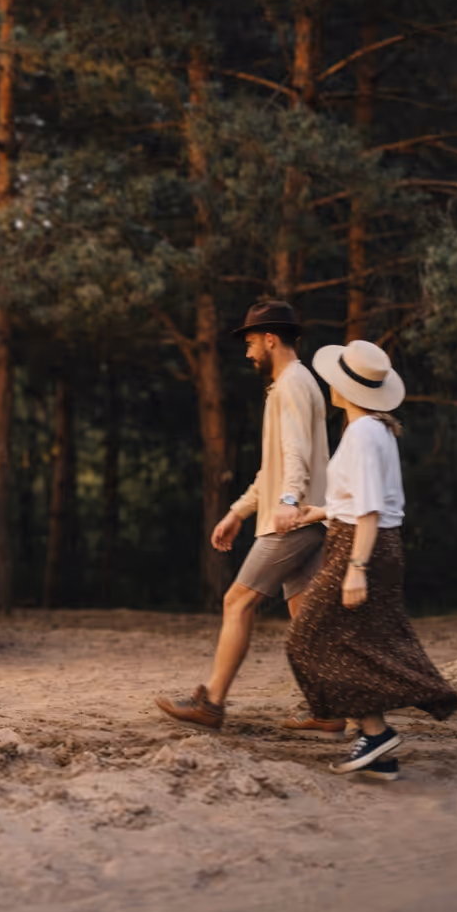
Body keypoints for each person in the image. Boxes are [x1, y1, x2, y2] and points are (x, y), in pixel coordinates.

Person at [155, 300, 336, 733]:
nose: (249, 351)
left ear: (271, 339)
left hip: (294, 520)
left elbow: (296, 458)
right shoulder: (293, 383)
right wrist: (238, 511)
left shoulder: (292, 384)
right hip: (305, 517)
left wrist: (289, 501)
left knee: (237, 600)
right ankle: (331, 707)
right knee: (305, 615)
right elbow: (271, 470)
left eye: (252, 342)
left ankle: (212, 703)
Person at [287, 339, 457, 779]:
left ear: (347, 388)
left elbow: (368, 508)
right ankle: (379, 751)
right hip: (368, 541)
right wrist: (322, 511)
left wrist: (357, 568)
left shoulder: (363, 432)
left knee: (308, 638)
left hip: (362, 547)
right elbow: (363, 498)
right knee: (356, 644)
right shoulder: (372, 429)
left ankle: (377, 733)